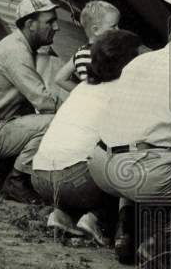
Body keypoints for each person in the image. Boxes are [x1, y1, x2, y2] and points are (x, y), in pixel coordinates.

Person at [89, 11, 171, 265]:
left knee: (143, 145)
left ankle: (126, 229)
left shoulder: (137, 62)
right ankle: (161, 246)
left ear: (170, 36)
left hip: (100, 165)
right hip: (143, 174)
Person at [31, 30, 143, 243]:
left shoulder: (84, 86)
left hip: (39, 176)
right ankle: (99, 219)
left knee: (87, 153)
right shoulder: (123, 92)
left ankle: (62, 215)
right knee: (128, 163)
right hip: (75, 182)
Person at [0, 0, 65, 205]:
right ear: (30, 24)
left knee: (47, 120)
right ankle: (17, 180)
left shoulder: (18, 45)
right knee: (56, 122)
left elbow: (32, 103)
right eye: (49, 22)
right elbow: (44, 102)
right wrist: (79, 108)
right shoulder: (16, 52)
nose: (56, 27)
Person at [54, 0, 120, 93]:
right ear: (96, 30)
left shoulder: (79, 53)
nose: (118, 30)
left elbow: (59, 79)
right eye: (113, 26)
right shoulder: (108, 51)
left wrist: (83, 93)